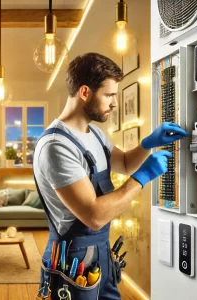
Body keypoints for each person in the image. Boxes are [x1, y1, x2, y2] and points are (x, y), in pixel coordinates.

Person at [33, 52, 187, 300]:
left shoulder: (94, 133)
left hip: (101, 252)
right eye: (109, 95)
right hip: (73, 257)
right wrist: (142, 177)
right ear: (85, 92)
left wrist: (148, 143)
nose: (114, 103)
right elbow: (94, 216)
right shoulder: (56, 146)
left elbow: (125, 163)